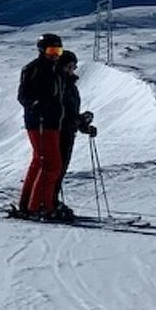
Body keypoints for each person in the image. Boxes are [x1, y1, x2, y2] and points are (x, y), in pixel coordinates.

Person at [13, 33, 69, 220]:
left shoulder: (56, 70)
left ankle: (28, 204)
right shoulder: (34, 69)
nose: (55, 54)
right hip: (41, 123)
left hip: (52, 122)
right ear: (41, 50)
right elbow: (23, 96)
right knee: (52, 165)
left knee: (40, 162)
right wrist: (38, 106)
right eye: (51, 50)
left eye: (58, 51)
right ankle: (40, 207)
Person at [56, 51, 98, 211]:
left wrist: (83, 125)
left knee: (60, 169)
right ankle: (48, 202)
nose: (73, 69)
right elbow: (61, 113)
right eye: (70, 66)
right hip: (59, 132)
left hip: (67, 131)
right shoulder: (60, 85)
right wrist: (79, 121)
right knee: (56, 169)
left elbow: (70, 113)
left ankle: (51, 201)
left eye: (74, 66)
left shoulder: (70, 86)